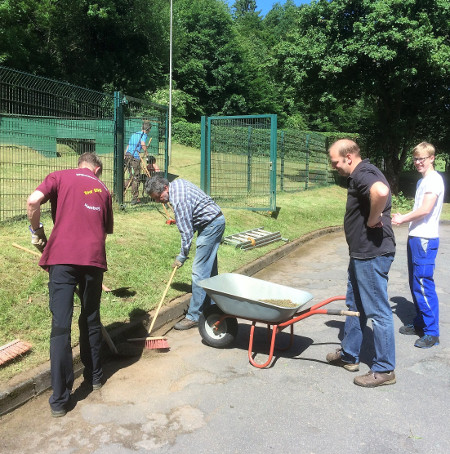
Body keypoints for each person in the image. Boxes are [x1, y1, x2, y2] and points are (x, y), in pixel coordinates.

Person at [26, 152, 114, 417]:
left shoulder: (59, 177)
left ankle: (60, 400)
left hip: (62, 258)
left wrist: (37, 231)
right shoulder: (103, 189)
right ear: (97, 169)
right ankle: (95, 376)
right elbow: (106, 229)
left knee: (60, 326)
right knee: (91, 318)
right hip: (93, 259)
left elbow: (33, 200)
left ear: (80, 165)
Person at [326, 139, 396, 387]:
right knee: (354, 305)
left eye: (334, 161)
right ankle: (349, 354)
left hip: (371, 254)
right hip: (361, 254)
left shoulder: (363, 173)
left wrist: (372, 219)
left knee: (378, 311)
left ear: (348, 157)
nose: (333, 166)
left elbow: (380, 191)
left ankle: (385, 369)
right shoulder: (362, 172)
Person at [145, 175, 225, 330]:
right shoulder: (178, 184)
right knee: (210, 271)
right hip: (213, 221)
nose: (158, 201)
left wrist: (182, 256)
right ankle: (214, 308)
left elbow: (186, 232)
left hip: (211, 225)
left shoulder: (178, 200)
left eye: (158, 197)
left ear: (165, 188)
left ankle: (194, 316)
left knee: (199, 272)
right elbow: (193, 216)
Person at [392, 142, 445, 348]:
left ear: (432, 158)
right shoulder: (423, 181)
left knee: (423, 284)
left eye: (422, 158)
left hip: (425, 239)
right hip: (416, 237)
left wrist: (402, 218)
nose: (418, 162)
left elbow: (425, 209)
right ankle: (421, 323)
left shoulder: (433, 181)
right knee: (416, 284)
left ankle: (432, 333)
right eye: (415, 159)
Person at [124, 120, 150, 204]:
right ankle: (135, 198)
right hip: (134, 157)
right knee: (136, 177)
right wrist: (146, 154)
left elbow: (128, 145)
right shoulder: (144, 134)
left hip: (128, 155)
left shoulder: (134, 134)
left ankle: (120, 189)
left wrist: (125, 154)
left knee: (132, 176)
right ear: (148, 129)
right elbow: (142, 144)